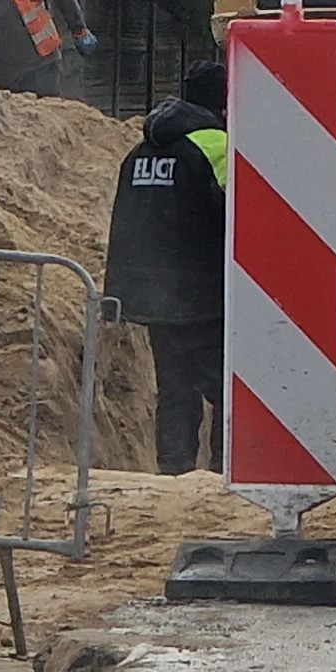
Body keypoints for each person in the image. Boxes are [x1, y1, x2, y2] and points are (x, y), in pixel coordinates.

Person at [108, 60, 230, 473]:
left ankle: (174, 474)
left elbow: (128, 222)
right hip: (205, 297)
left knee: (175, 389)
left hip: (156, 299)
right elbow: (241, 216)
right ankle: (223, 474)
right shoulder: (217, 146)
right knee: (227, 392)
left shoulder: (142, 151)